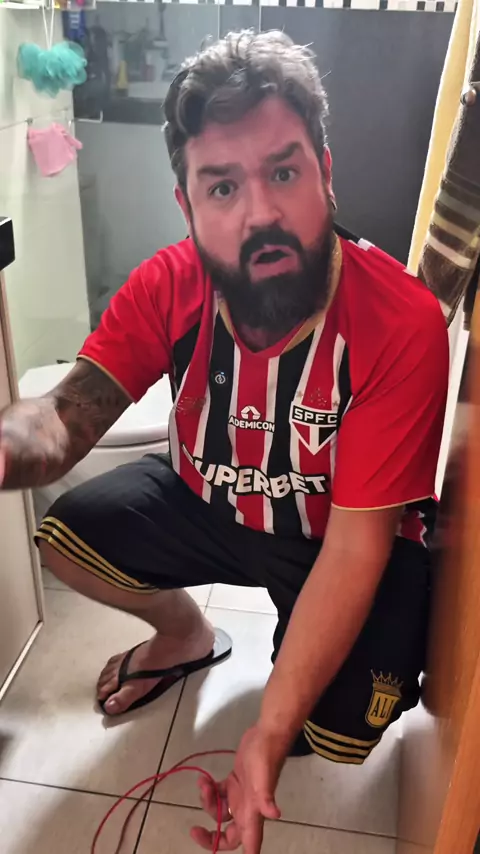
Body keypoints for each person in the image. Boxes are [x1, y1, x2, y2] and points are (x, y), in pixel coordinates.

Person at [0, 30, 448, 854]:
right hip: (210, 507)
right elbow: (63, 416)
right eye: (222, 186)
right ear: (188, 206)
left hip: (336, 542)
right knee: (64, 539)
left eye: (284, 172)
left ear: (325, 171)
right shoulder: (169, 284)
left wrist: (266, 735)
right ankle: (187, 636)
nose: (260, 213)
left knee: (342, 732)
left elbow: (357, 548)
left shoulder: (401, 323)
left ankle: (295, 668)